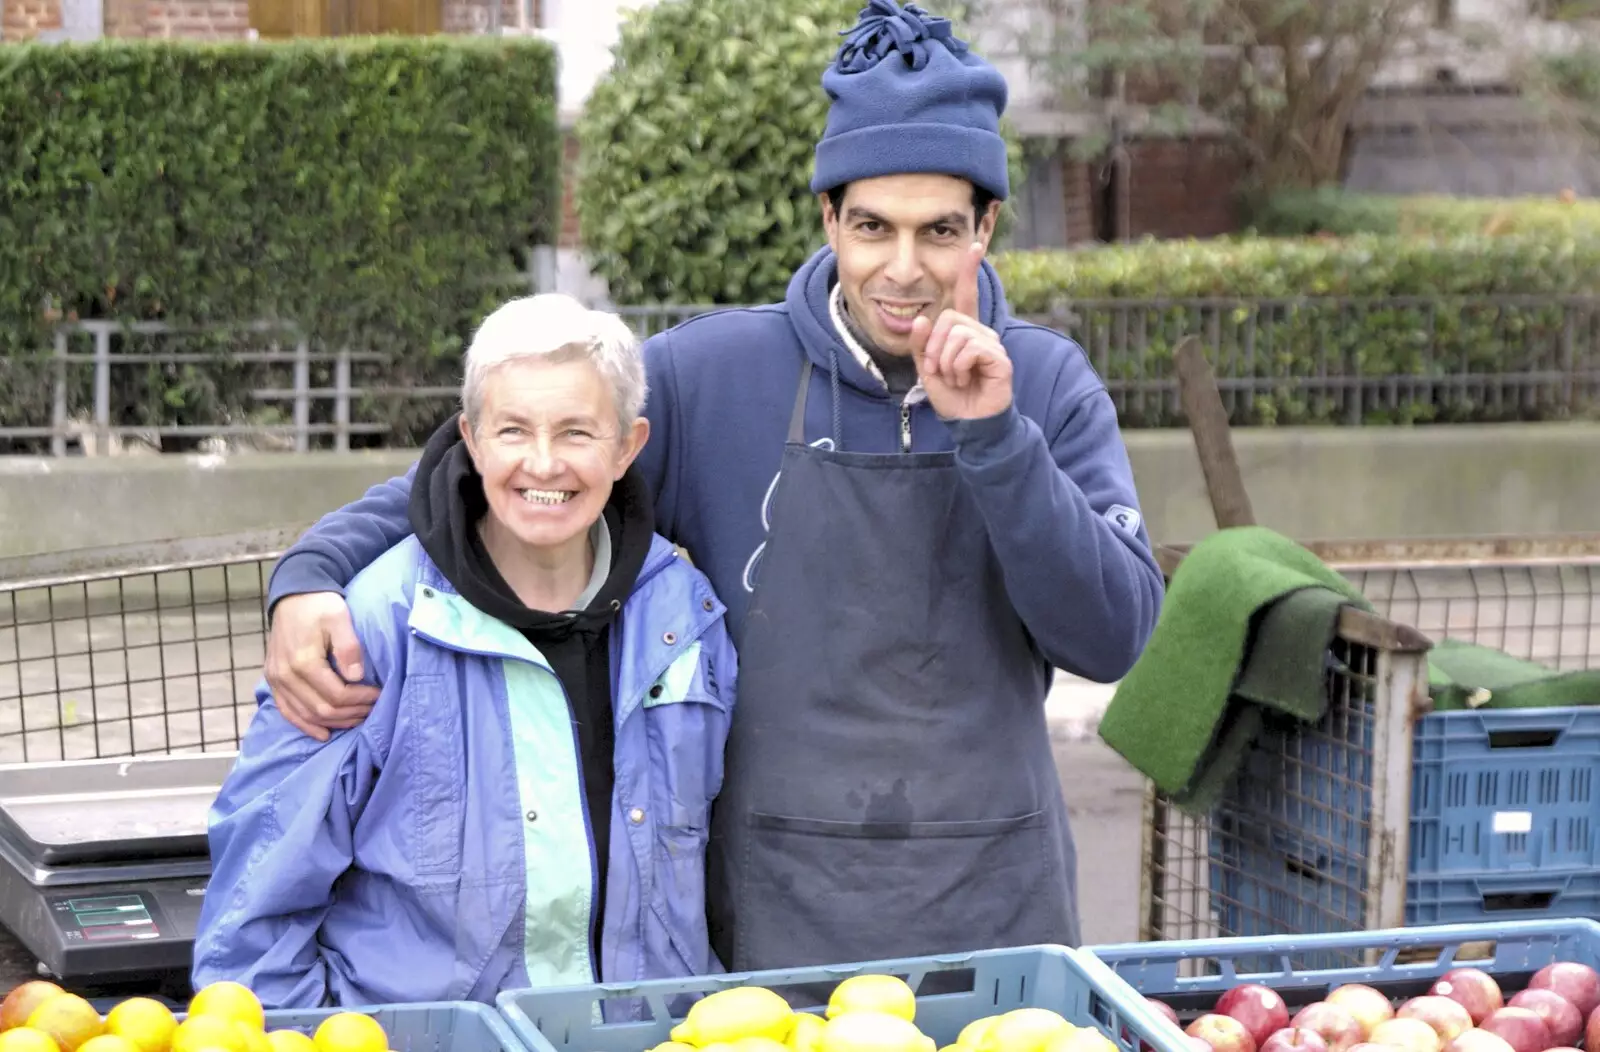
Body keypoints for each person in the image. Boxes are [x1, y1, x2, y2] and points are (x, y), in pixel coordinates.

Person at [254, 0, 1164, 976]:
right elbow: (512, 470)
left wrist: (994, 435)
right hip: (772, 922)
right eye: (871, 227)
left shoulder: (1048, 381)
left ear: (985, 225)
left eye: (939, 230)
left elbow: (1110, 634)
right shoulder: (709, 373)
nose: (903, 270)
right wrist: (312, 571)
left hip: (1002, 914)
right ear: (827, 218)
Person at [191, 294, 738, 1007]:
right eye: (513, 431)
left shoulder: (684, 618)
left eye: (576, 432)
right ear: (471, 442)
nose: (543, 464)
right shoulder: (373, 628)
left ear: (629, 446)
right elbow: (255, 916)